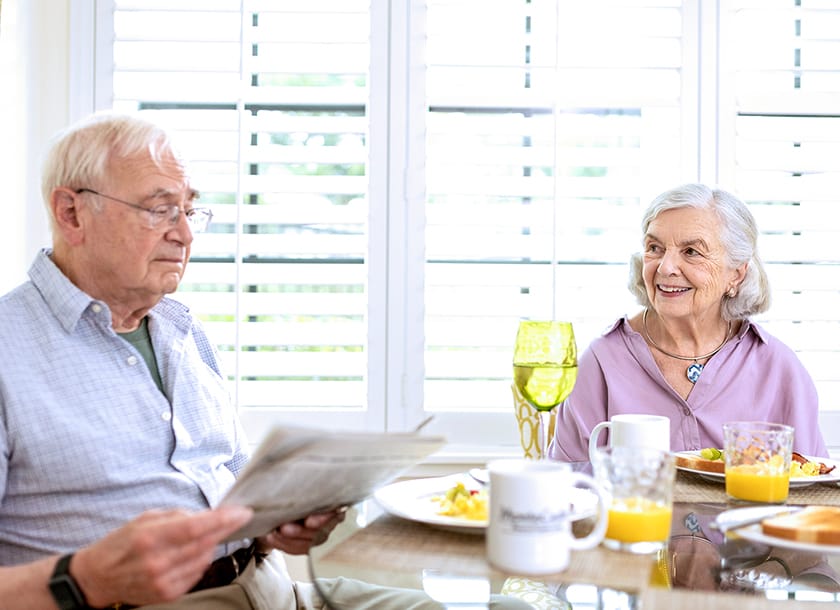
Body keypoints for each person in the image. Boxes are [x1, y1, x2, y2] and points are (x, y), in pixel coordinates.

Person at [0, 112, 346, 609]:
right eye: (160, 209)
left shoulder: (183, 329)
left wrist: (274, 524)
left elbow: (231, 480)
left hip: (275, 590)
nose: (184, 234)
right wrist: (84, 577)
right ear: (71, 214)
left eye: (189, 210)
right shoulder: (8, 350)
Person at [548, 183, 829, 462]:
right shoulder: (602, 362)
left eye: (691, 252)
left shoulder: (778, 368)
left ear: (736, 275)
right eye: (655, 248)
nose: (666, 267)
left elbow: (812, 484)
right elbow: (566, 490)